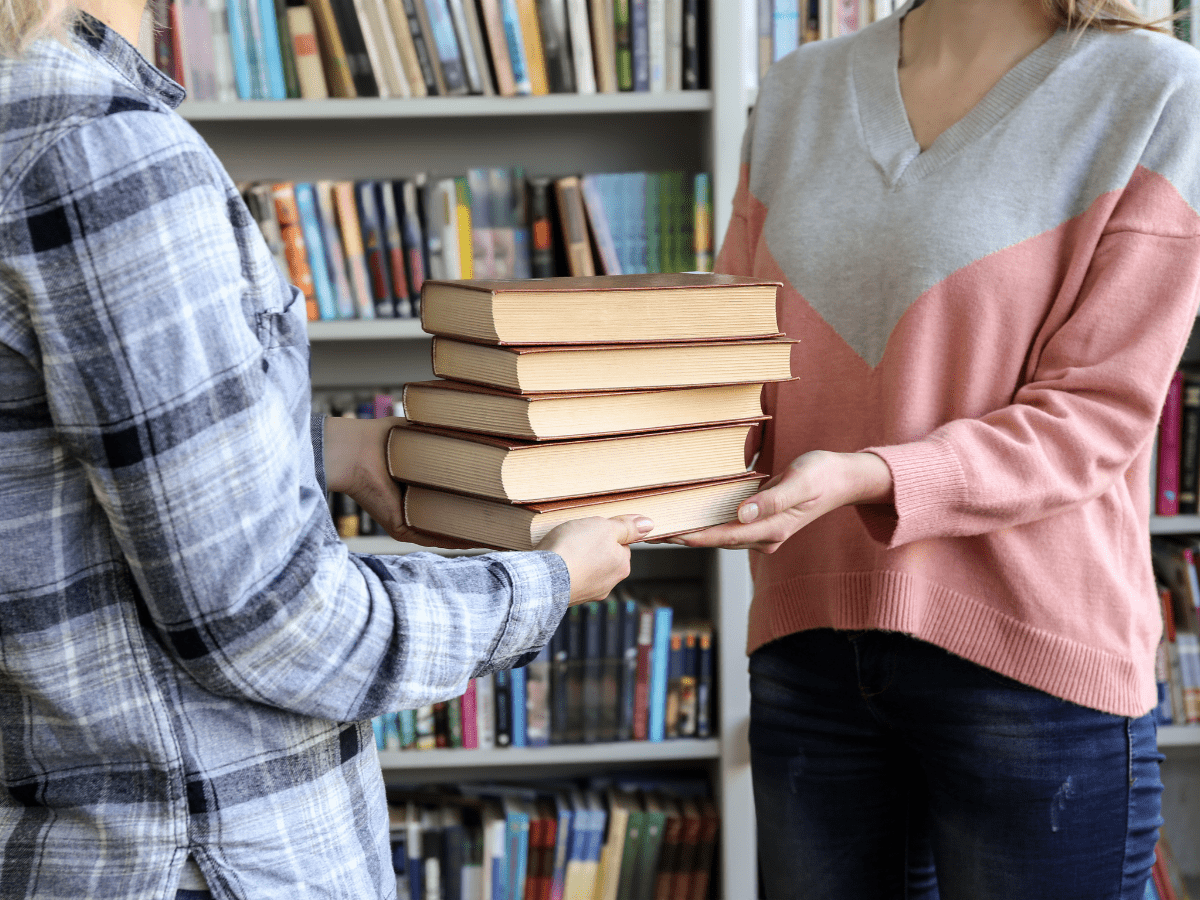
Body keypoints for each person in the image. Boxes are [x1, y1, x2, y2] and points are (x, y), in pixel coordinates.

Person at [0, 2, 653, 898]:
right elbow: (267, 622)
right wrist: (541, 585)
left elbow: (41, 472)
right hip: (199, 857)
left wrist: (329, 448)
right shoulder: (101, 150)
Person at [669, 0, 1200, 897]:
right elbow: (738, 360)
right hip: (810, 649)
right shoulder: (801, 87)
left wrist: (873, 475)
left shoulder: (1153, 90)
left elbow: (1096, 416)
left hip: (1032, 664)